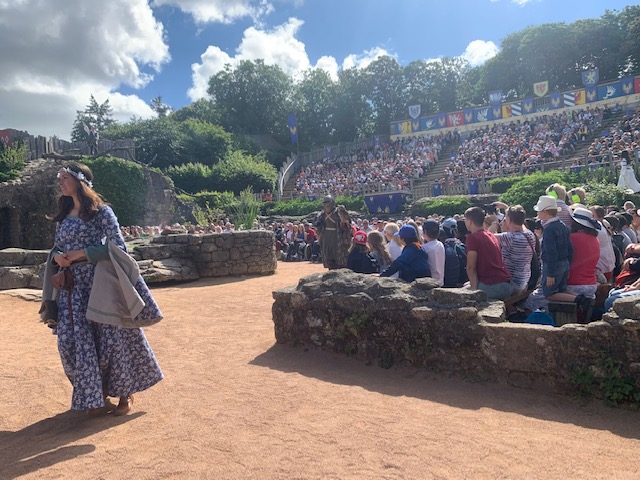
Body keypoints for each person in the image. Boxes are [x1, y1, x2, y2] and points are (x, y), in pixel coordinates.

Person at [49, 163, 163, 415]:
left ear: (80, 181)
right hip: (73, 288)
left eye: (64, 177)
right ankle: (94, 391)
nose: (60, 182)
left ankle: (125, 393)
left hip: (100, 283)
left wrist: (83, 253)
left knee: (114, 339)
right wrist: (58, 256)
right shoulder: (63, 216)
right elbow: (57, 246)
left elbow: (118, 247)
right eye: (60, 178)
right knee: (70, 342)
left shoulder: (101, 213)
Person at [525, 195, 573, 311]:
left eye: (539, 211)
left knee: (549, 294)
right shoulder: (563, 226)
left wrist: (550, 273)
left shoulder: (549, 230)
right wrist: (568, 264)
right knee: (560, 290)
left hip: (553, 266)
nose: (538, 214)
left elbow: (551, 252)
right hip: (564, 263)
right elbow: (570, 248)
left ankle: (579, 299)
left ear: (546, 212)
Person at [463, 207, 512, 300]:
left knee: (461, 296)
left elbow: (470, 267)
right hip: (505, 283)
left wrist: (474, 290)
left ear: (470, 221)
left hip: (492, 286)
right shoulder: (491, 235)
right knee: (466, 285)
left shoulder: (473, 238)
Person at [315, 195, 352, 269]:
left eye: (328, 202)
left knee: (339, 256)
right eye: (325, 203)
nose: (326, 205)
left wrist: (344, 221)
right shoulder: (322, 215)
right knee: (328, 255)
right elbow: (317, 226)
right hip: (327, 237)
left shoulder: (339, 212)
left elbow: (347, 224)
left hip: (337, 236)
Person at [421, 219, 445, 286]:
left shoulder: (425, 248)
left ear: (425, 231)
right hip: (440, 280)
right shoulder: (440, 244)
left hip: (431, 282)